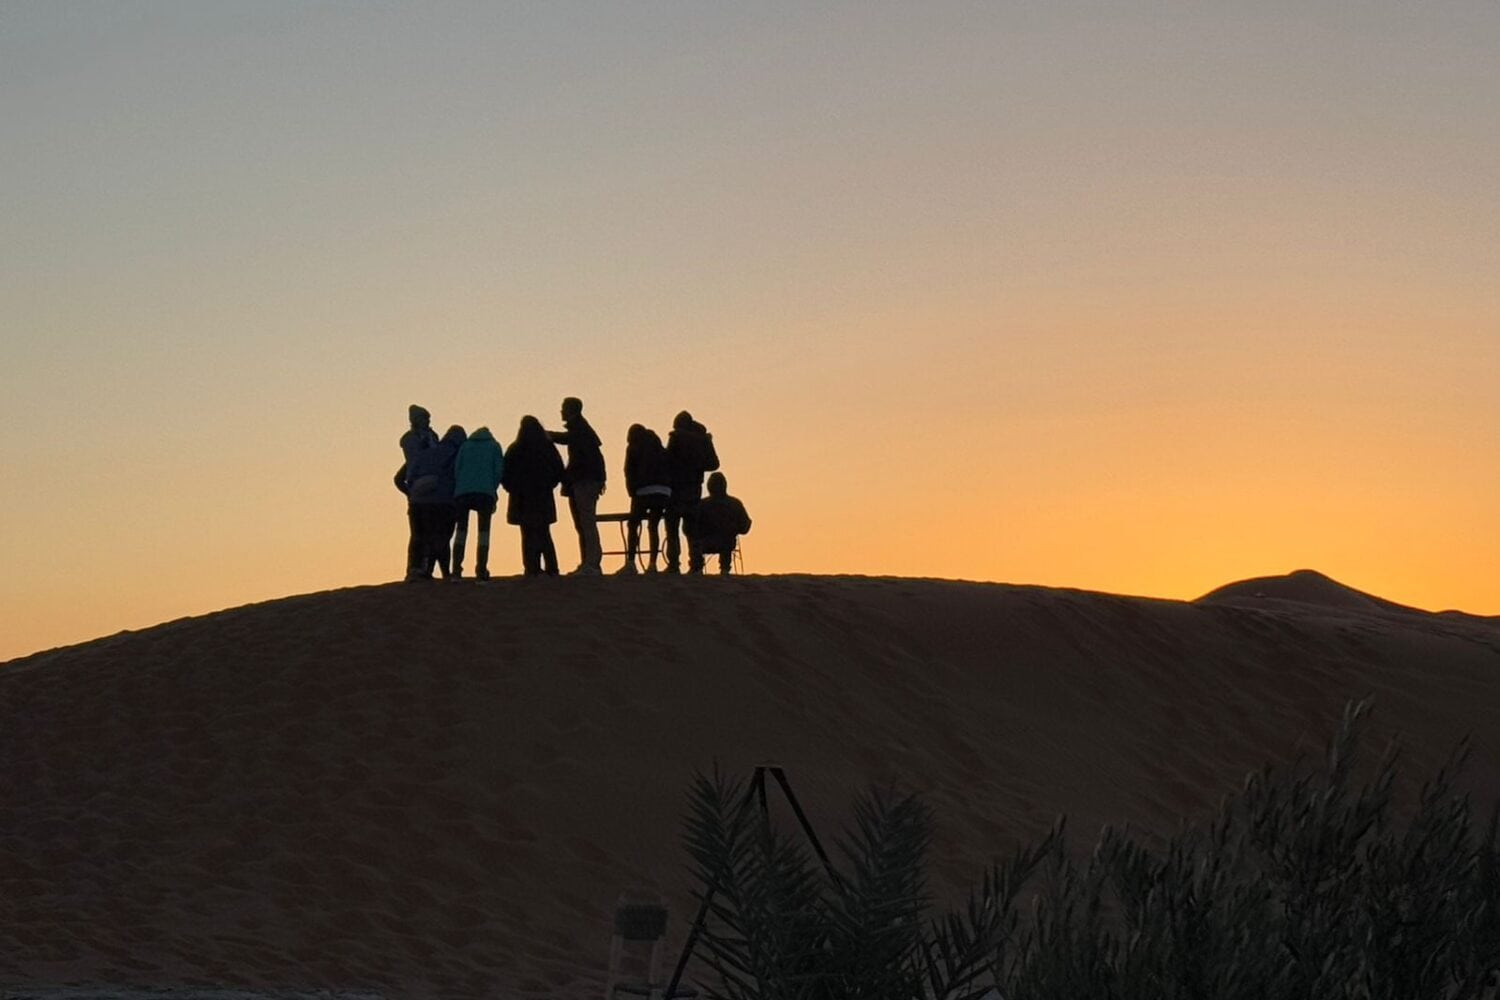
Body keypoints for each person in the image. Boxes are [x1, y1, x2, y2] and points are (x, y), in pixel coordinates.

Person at [547, 397, 606, 576]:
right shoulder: (581, 429)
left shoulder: (579, 430)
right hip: (586, 481)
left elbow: (574, 449)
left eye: (563, 408)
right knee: (583, 522)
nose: (561, 411)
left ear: (571, 410)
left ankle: (592, 563)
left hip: (584, 482)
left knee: (586, 522)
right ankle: (588, 561)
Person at [502, 415, 564, 576]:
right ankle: (552, 568)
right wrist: (549, 484)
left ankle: (532, 568)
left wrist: (513, 488)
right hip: (542, 496)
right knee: (544, 532)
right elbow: (559, 469)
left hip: (522, 498)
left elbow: (505, 474)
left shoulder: (515, 449)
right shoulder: (547, 447)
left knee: (527, 534)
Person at [405, 424, 466, 580]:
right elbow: (458, 478)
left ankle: (424, 571)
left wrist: (411, 493)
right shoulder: (458, 454)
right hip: (445, 501)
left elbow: (408, 476)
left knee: (425, 537)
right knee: (443, 538)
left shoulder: (427, 453)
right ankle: (446, 572)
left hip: (420, 502)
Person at [664, 410, 719, 574]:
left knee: (672, 527)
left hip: (676, 489)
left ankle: (674, 564)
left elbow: (668, 462)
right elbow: (714, 464)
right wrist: (697, 465)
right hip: (694, 489)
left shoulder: (676, 438)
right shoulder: (703, 440)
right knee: (692, 529)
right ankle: (696, 564)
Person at [452, 425, 505, 581]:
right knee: (484, 533)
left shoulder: (465, 446)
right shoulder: (494, 446)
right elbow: (498, 471)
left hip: (463, 492)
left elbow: (457, 469)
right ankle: (481, 571)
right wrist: (492, 489)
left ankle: (456, 570)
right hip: (485, 493)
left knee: (461, 531)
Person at [618, 423, 671, 574]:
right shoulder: (660, 448)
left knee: (633, 524)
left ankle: (631, 563)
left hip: (643, 490)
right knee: (653, 527)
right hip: (663, 491)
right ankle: (653, 564)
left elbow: (628, 471)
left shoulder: (634, 447)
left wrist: (631, 492)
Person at [397, 404, 441, 578]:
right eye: (425, 418)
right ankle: (414, 569)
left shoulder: (433, 437)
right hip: (419, 492)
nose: (428, 421)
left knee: (429, 532)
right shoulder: (410, 439)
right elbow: (414, 461)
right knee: (418, 533)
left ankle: (426, 569)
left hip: (432, 492)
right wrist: (410, 492)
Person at [691, 472, 751, 575]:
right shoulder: (735, 503)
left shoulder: (702, 504)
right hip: (727, 543)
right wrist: (734, 529)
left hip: (705, 543)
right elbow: (745, 526)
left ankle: (697, 567)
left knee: (694, 540)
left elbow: (692, 527)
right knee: (726, 539)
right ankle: (725, 569)